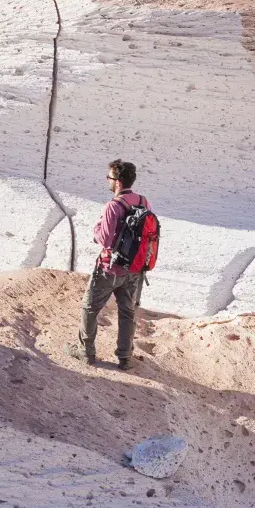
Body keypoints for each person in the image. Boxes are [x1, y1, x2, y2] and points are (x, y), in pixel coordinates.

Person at [68, 158, 150, 371]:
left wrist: (97, 227)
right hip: (134, 269)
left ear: (118, 182)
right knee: (127, 312)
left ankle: (86, 351)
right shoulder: (143, 201)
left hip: (110, 268)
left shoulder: (113, 206)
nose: (108, 181)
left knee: (90, 307)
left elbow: (104, 239)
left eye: (109, 178)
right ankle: (124, 357)